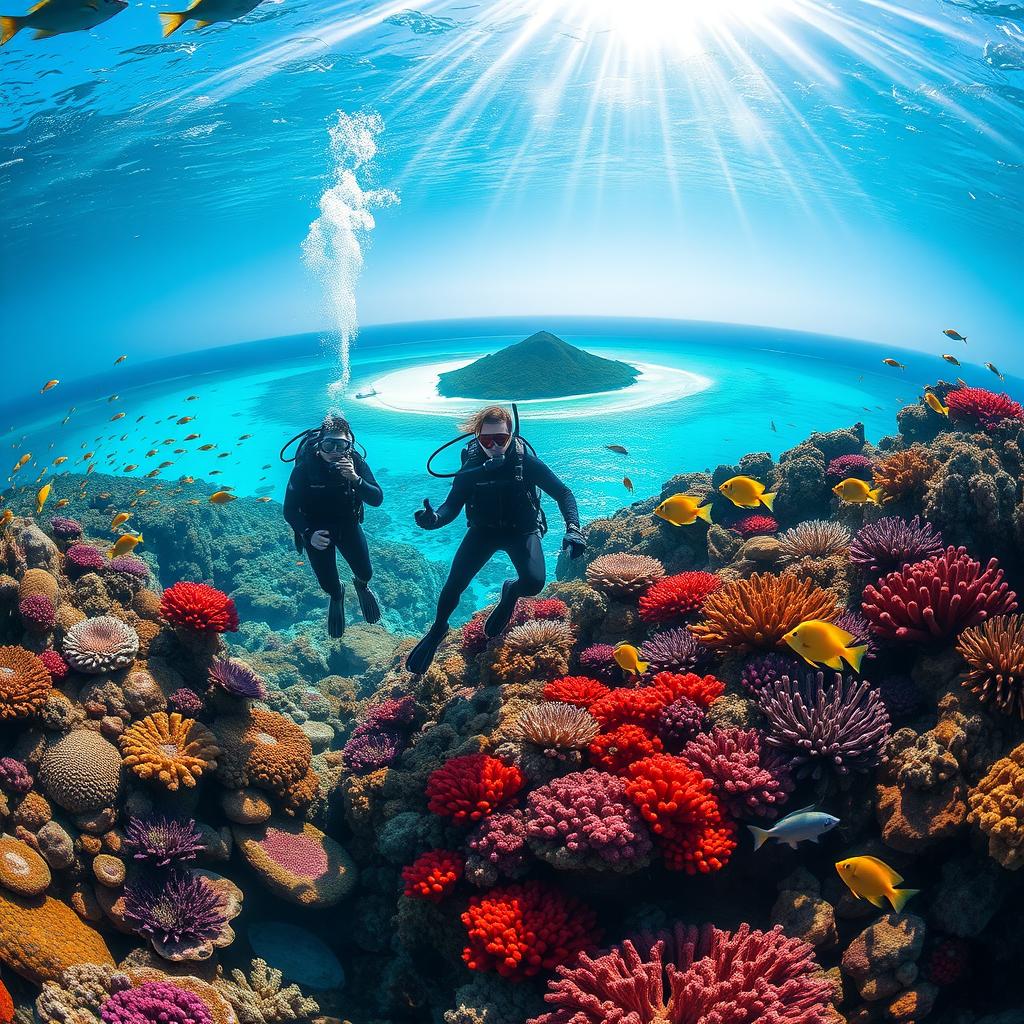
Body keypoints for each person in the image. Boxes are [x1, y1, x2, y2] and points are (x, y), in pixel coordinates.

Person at [405, 404, 585, 674]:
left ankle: (510, 592)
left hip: (522, 530)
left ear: (511, 436)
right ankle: (438, 628)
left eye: (500, 439)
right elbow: (451, 507)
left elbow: (563, 493)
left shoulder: (526, 461)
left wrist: (573, 527)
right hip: (483, 531)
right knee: (455, 584)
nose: (493, 446)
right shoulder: (472, 465)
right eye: (485, 440)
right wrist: (433, 521)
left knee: (534, 583)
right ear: (477, 439)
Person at [283, 412, 383, 639]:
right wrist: (308, 533)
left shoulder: (355, 462)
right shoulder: (305, 468)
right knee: (328, 585)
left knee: (366, 573)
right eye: (329, 445)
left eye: (342, 445)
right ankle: (338, 595)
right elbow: (289, 510)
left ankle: (361, 586)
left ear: (350, 445)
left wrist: (356, 479)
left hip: (348, 526)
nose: (336, 451)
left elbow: (377, 499)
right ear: (319, 445)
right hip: (316, 532)